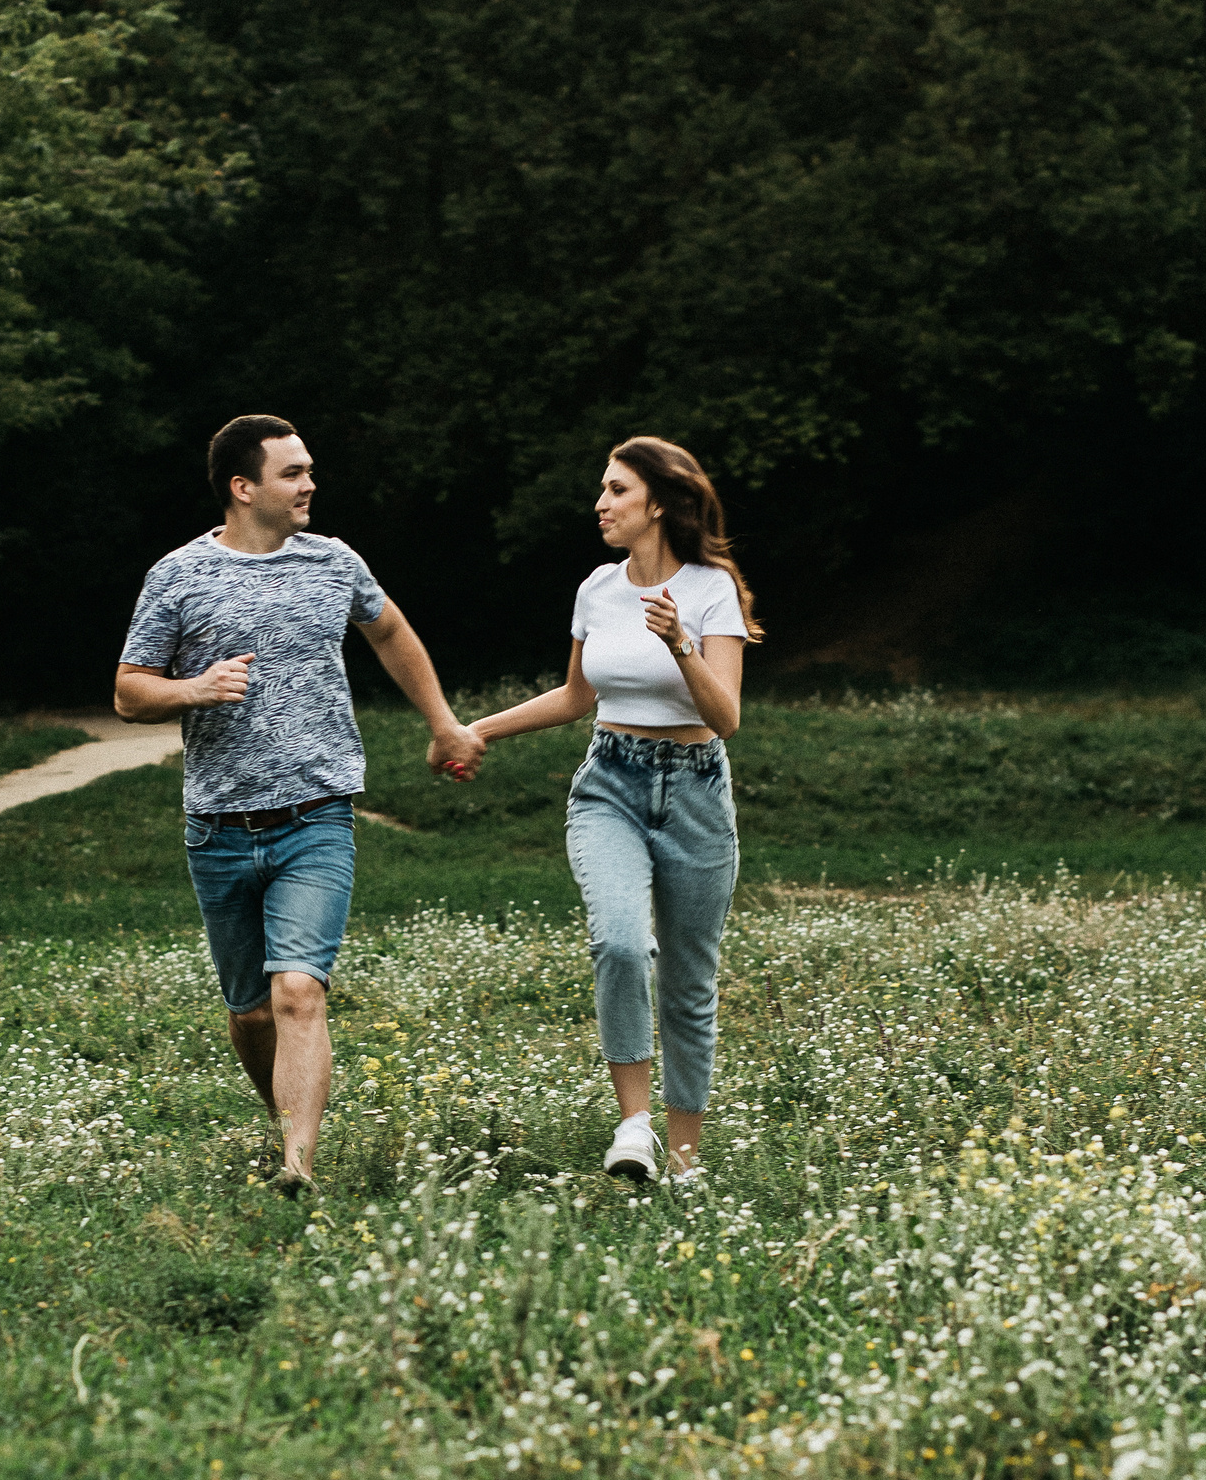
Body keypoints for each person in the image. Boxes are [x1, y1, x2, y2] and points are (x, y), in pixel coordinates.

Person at [115, 415, 485, 1196]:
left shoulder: (334, 561)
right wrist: (195, 688)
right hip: (218, 823)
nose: (310, 483)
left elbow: (390, 634)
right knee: (251, 1012)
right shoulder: (177, 575)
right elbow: (129, 690)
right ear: (243, 488)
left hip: (317, 813)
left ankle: (299, 1165)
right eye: (293, 473)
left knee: (298, 991)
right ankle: (285, 1121)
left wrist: (443, 720)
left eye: (310, 469)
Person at [459, 436, 759, 1185]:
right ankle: (635, 1128)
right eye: (602, 489)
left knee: (689, 979)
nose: (600, 503)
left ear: (657, 502)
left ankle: (686, 1161)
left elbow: (726, 718)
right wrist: (477, 729)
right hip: (611, 783)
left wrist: (683, 643)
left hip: (694, 788)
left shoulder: (711, 587)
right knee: (621, 942)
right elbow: (574, 696)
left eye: (616, 490)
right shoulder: (596, 588)